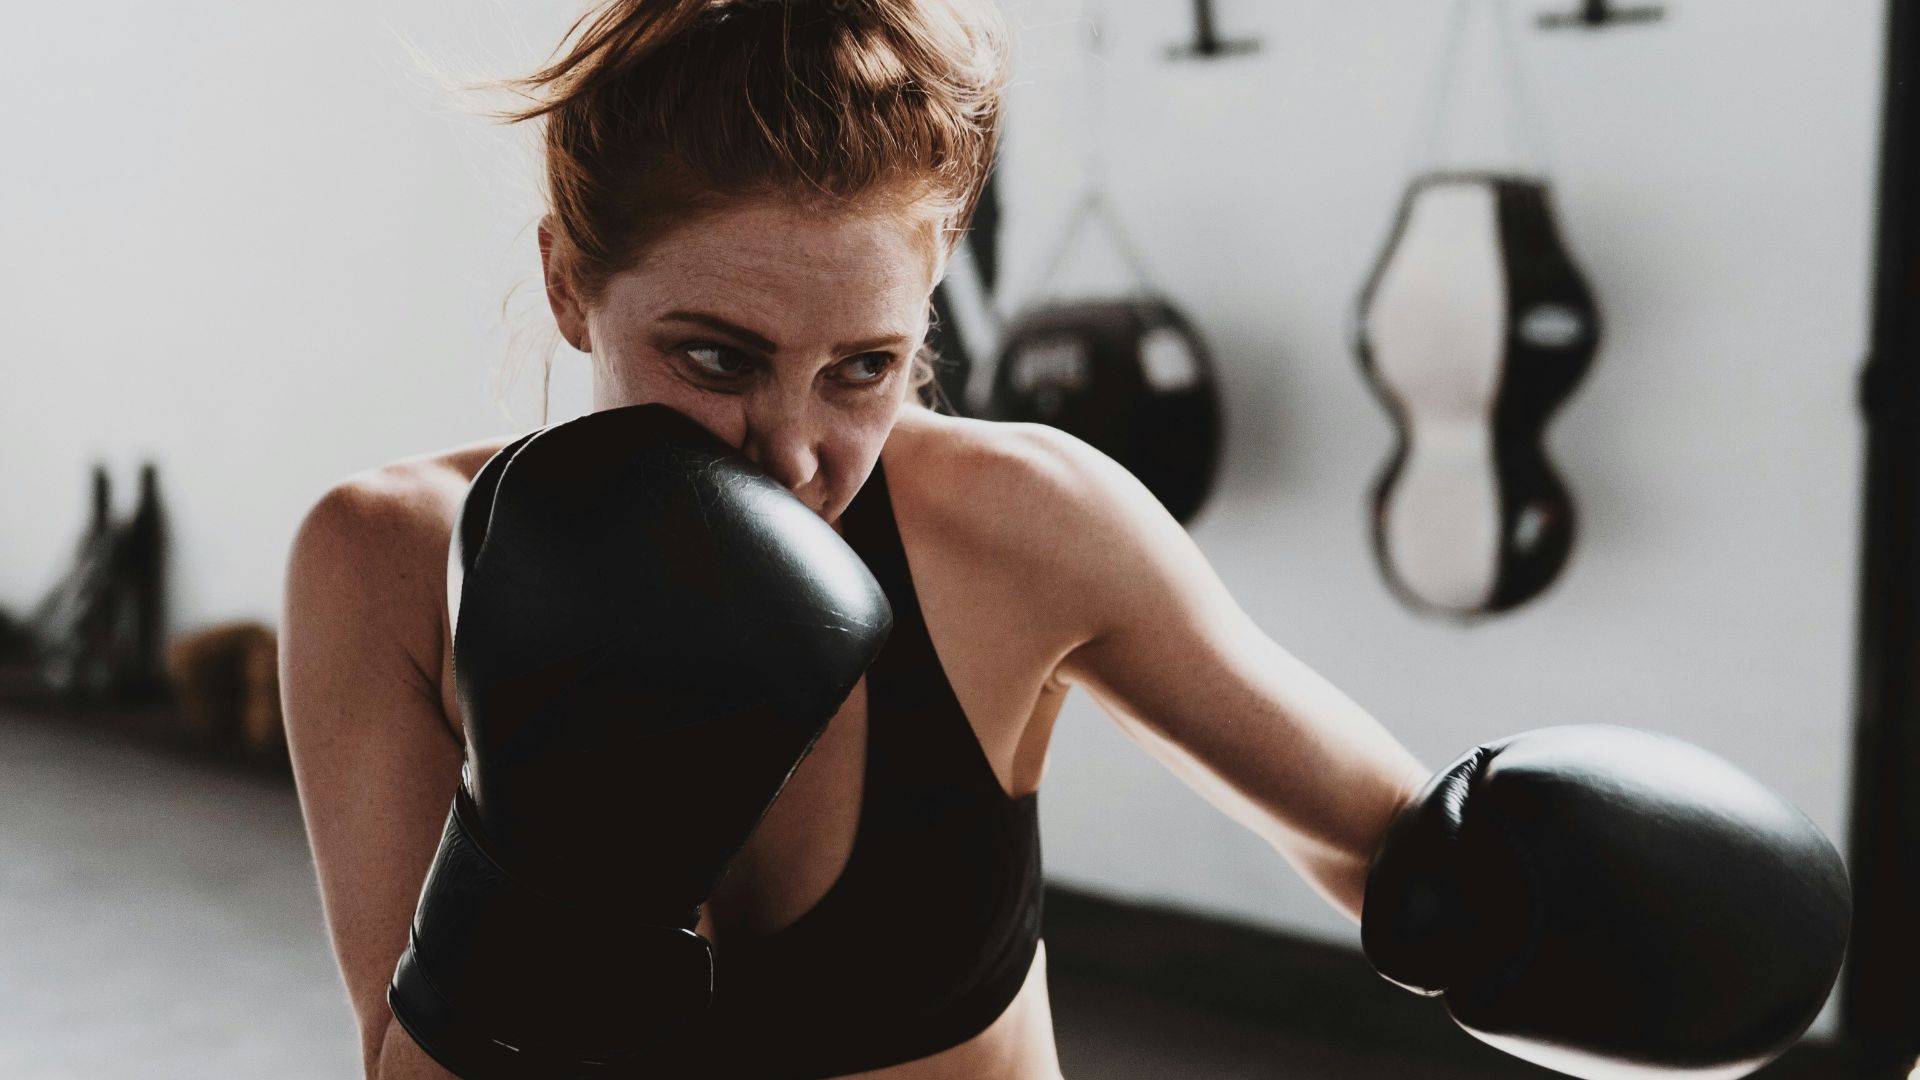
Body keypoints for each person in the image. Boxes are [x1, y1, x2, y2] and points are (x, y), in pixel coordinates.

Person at [279, 2, 1847, 1078]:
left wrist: (1549, 903)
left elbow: (1405, 859)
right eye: (713, 358)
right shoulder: (388, 563)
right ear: (571, 284)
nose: (798, 448)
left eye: (865, 368)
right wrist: (553, 857)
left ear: (933, 298)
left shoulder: (1026, 525)